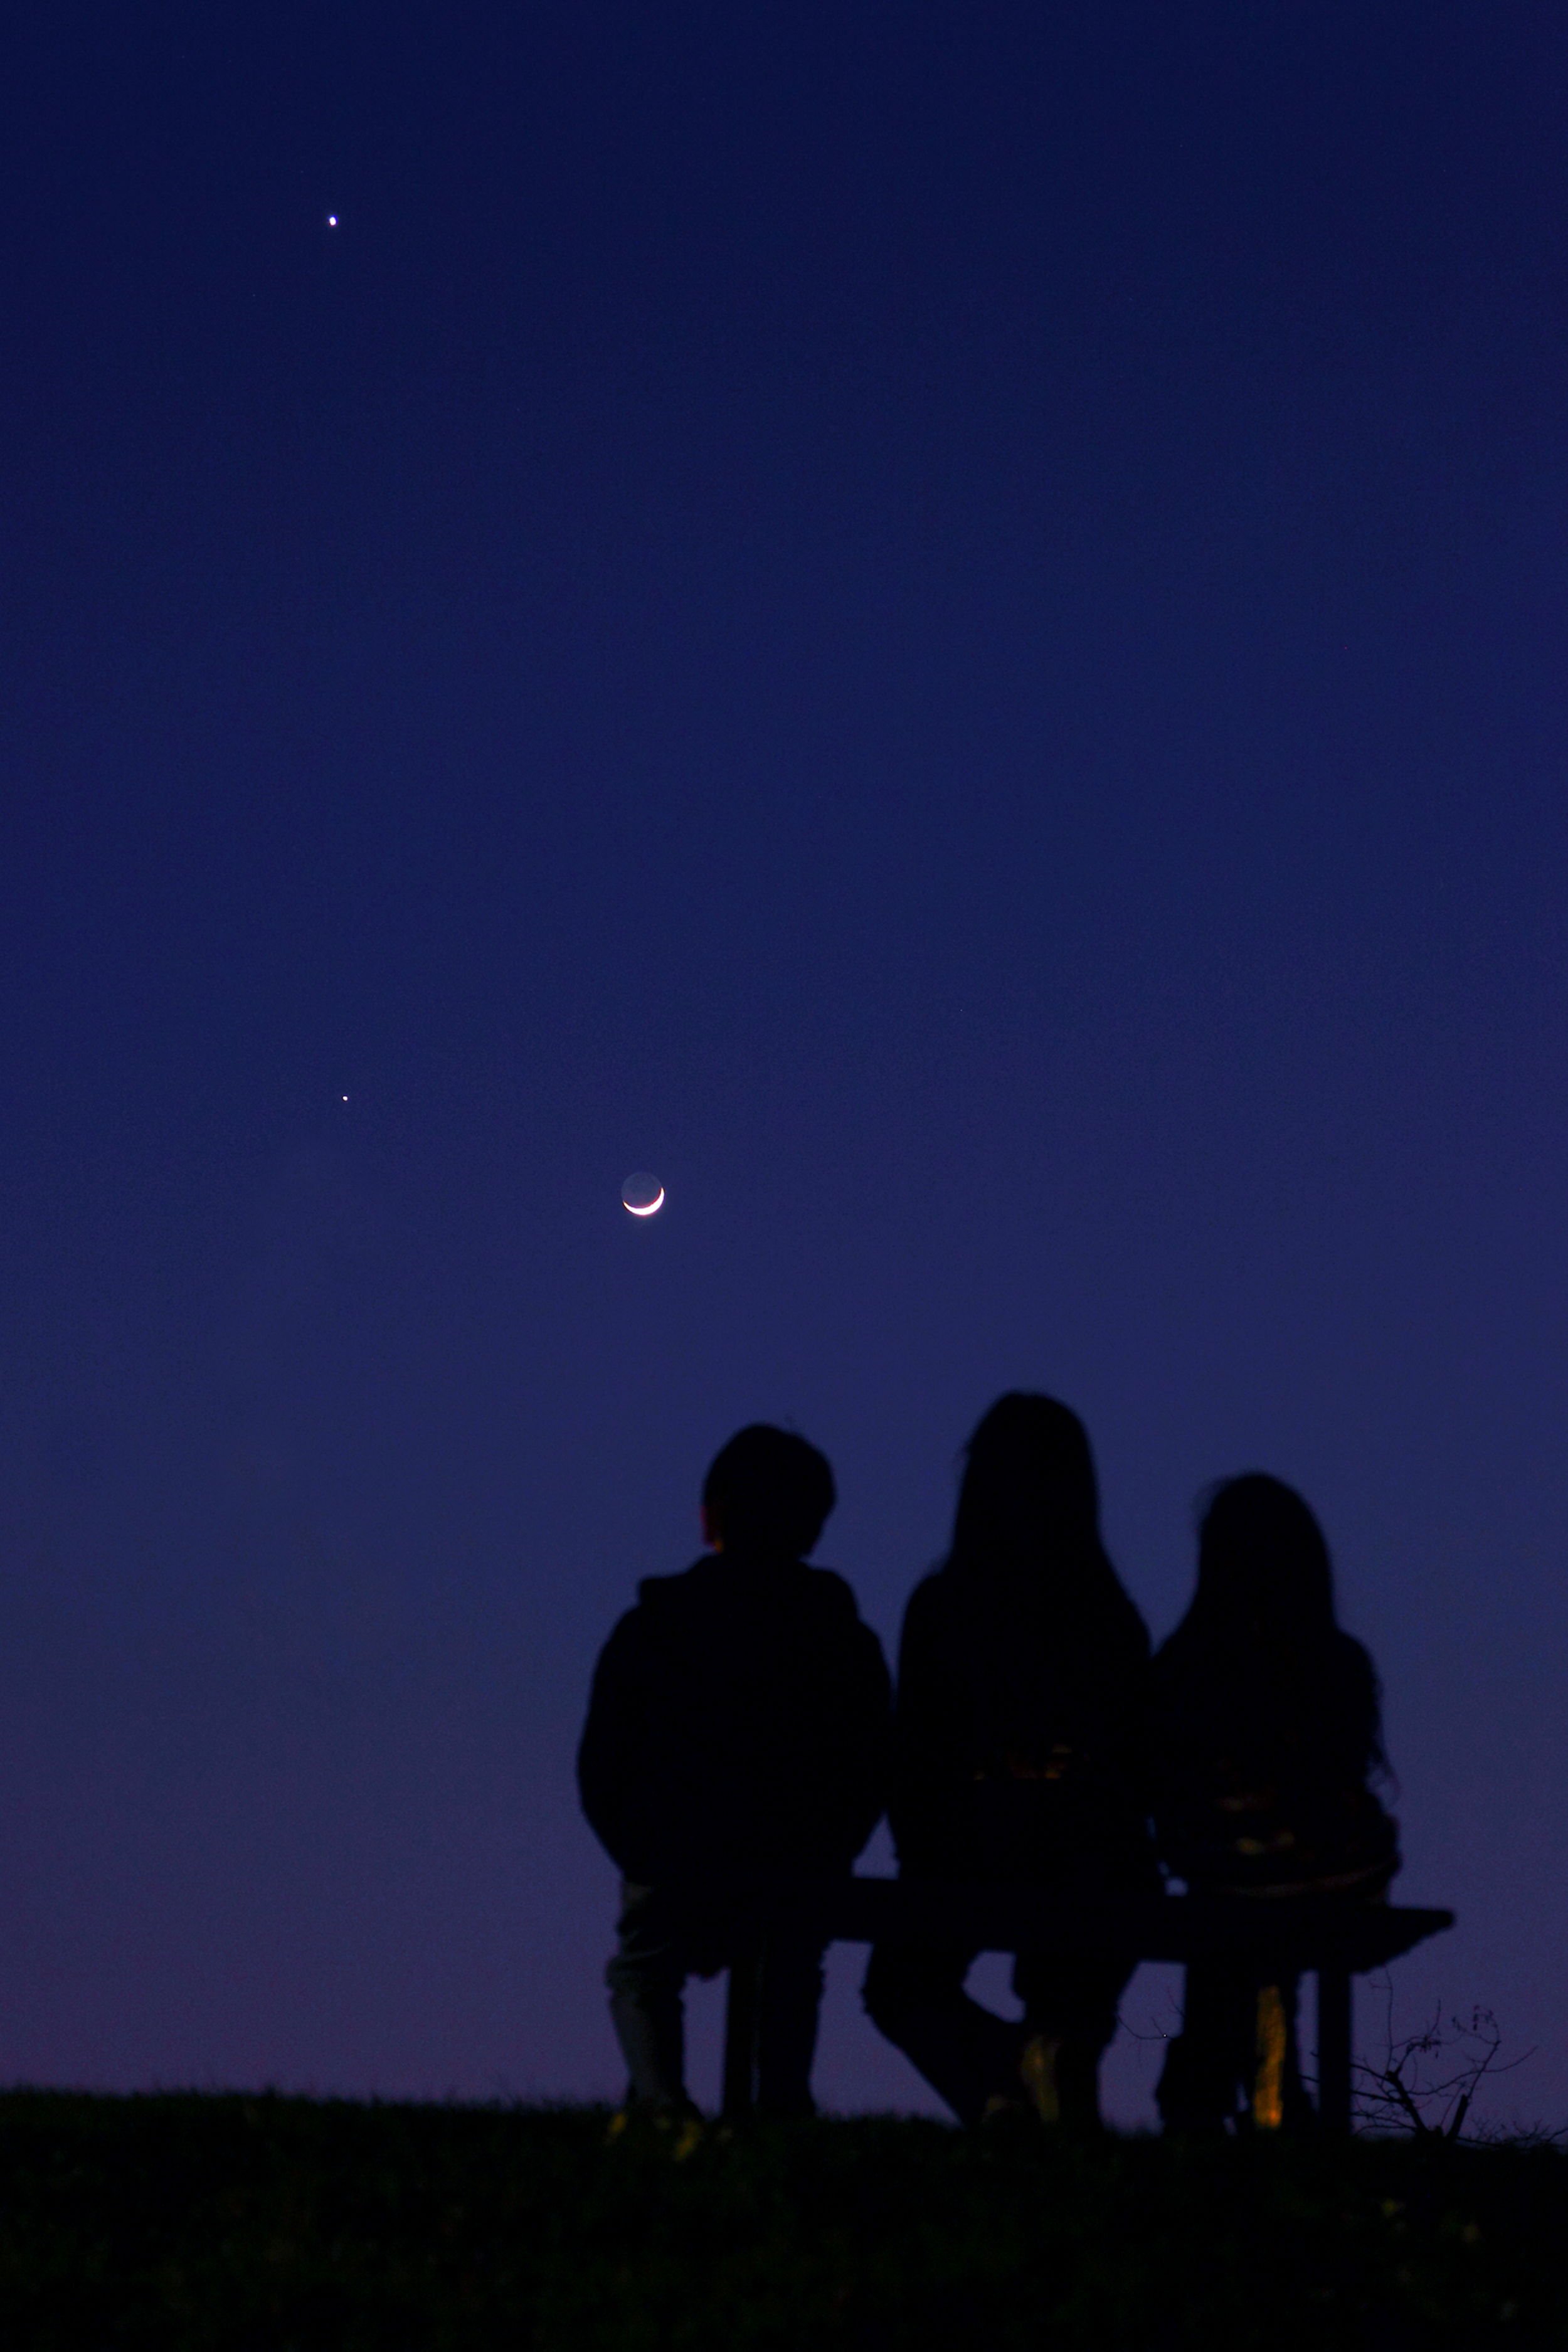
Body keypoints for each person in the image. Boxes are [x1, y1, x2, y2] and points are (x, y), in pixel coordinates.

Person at [578, 1423, 891, 2120]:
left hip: (671, 1851)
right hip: (797, 1861)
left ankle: (661, 2104)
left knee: (643, 1967)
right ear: (812, 1528)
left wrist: (639, 1848)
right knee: (792, 1973)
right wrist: (832, 1848)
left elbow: (601, 1761)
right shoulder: (840, 1636)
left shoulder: (654, 1626)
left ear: (711, 1516)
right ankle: (780, 2099)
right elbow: (868, 1759)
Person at [862, 1394, 1157, 2131]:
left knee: (900, 1985)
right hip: (1098, 1850)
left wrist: (925, 1847)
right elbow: (1139, 1751)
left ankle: (1003, 2081)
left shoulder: (943, 1604)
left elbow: (915, 1749)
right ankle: (1043, 2062)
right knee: (1072, 1973)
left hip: (972, 1844)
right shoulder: (1109, 1613)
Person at [1150, 1474, 1399, 2134]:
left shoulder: (1187, 1668)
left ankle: (1229, 2091)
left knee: (1237, 1933)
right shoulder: (1334, 1664)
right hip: (1332, 1879)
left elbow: (1169, 1795)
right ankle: (1270, 2091)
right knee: (1262, 1946)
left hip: (1233, 1875)